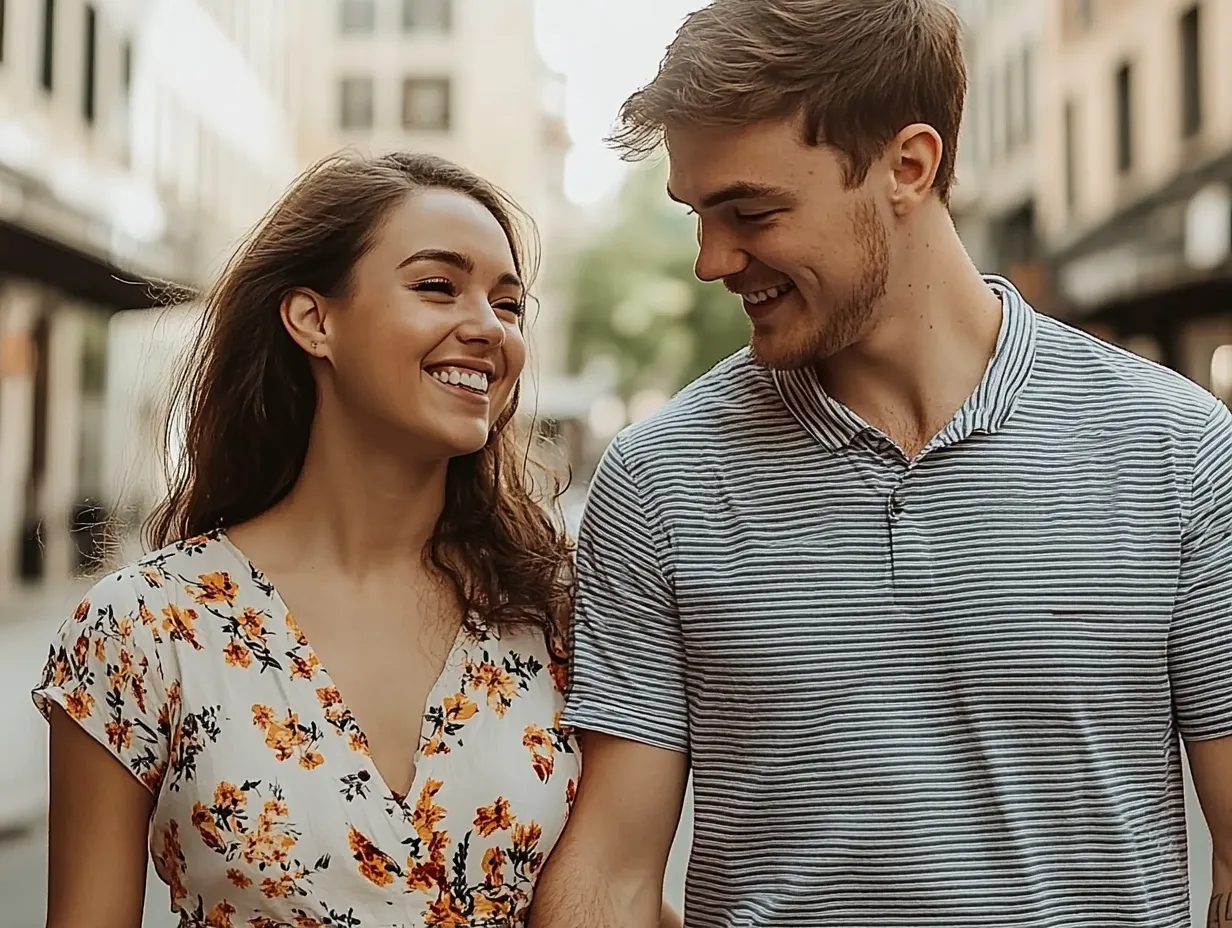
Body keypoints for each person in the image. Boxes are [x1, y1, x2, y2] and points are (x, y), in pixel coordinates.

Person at [530, 1, 1232, 927]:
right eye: (698, 213)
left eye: (751, 210)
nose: (711, 259)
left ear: (909, 165)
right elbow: (611, 875)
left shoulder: (1175, 447)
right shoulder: (664, 476)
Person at [34, 151, 584, 928]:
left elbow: (613, 897)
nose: (488, 329)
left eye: (509, 304)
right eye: (437, 286)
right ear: (313, 320)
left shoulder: (559, 614)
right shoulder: (145, 627)